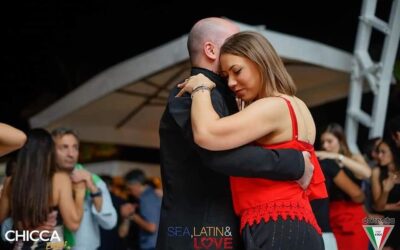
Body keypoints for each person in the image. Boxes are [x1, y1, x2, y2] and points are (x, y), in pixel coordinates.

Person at [157, 17, 314, 249]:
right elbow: (216, 154)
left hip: (235, 226)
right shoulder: (193, 91)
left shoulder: (233, 96)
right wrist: (294, 163)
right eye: (234, 41)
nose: (242, 45)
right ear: (210, 49)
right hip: (202, 230)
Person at [0, 128, 86, 249]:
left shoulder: (11, 181)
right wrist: (80, 193)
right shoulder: (60, 179)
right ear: (50, 152)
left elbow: (1, 219)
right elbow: (73, 224)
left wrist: (21, 226)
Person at [51, 127, 117, 249]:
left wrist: (92, 188)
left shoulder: (93, 180)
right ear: (52, 150)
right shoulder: (44, 180)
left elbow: (110, 223)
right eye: (64, 147)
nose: (71, 154)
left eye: (75, 147)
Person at [316, 123, 371, 250]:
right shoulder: (324, 162)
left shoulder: (353, 157)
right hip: (332, 217)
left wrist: (337, 156)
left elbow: (367, 173)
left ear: (340, 140)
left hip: (352, 217)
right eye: (323, 142)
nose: (325, 146)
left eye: (329, 141)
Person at [119, 169, 161, 250]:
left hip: (151, 245)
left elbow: (152, 227)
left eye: (129, 189)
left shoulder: (146, 197)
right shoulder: (152, 194)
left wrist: (133, 216)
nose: (129, 192)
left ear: (136, 184)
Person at [370, 138, 400, 250]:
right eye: (378, 152)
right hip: (382, 220)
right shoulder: (376, 172)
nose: (379, 156)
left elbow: (381, 206)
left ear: (394, 152)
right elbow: (378, 206)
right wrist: (386, 190)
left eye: (383, 152)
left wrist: (387, 206)